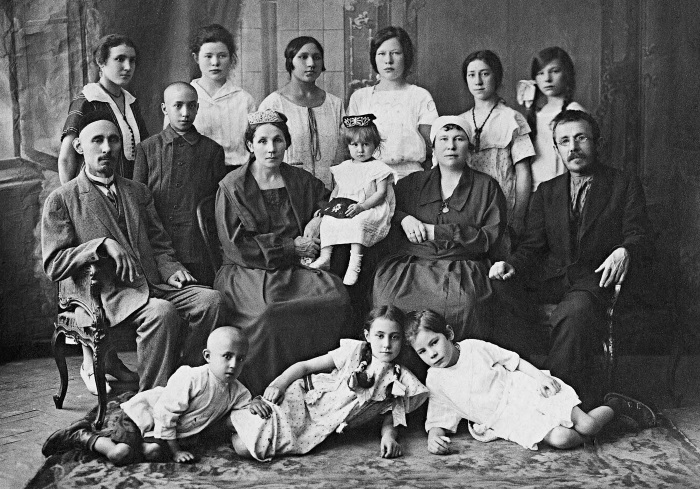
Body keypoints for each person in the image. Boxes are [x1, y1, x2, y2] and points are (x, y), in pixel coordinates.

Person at [42, 112, 228, 393]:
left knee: (212, 301)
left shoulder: (137, 191)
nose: (107, 148)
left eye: (113, 140)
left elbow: (159, 243)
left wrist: (170, 268)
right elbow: (54, 264)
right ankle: (152, 397)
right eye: (97, 140)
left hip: (152, 283)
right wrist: (100, 245)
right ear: (79, 146)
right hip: (107, 294)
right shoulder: (62, 199)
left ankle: (183, 377)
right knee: (161, 313)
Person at [489, 110, 652, 407]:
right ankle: (523, 387)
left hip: (596, 279)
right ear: (556, 149)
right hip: (553, 279)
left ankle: (558, 404)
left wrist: (625, 250)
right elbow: (532, 247)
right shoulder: (547, 191)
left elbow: (639, 234)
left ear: (597, 143)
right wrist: (510, 264)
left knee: (573, 311)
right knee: (497, 287)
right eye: (564, 141)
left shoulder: (623, 184)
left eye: (581, 138)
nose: (573, 147)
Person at [214, 109, 351, 395]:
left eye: (278, 140)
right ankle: (264, 389)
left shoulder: (299, 179)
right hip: (249, 268)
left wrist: (319, 217)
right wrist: (291, 247)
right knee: (269, 313)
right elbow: (236, 244)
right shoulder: (232, 186)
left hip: (296, 269)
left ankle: (316, 386)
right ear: (250, 145)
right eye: (262, 141)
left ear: (286, 143)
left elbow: (330, 201)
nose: (271, 148)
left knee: (335, 297)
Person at [404, 310, 657, 453]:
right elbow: (438, 416)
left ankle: (615, 407)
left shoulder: (473, 348)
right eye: (422, 351)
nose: (432, 354)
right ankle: (608, 426)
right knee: (563, 440)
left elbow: (513, 361)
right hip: (510, 419)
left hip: (525, 390)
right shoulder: (435, 380)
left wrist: (540, 377)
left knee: (588, 425)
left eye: (434, 342)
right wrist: (433, 437)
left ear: (448, 333)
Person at [372, 115, 507, 378]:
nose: (451, 145)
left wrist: (439, 232)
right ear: (433, 146)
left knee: (464, 303)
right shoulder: (412, 183)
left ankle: (458, 376)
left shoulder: (486, 186)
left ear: (469, 146)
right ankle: (397, 379)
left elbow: (489, 237)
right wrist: (404, 218)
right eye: (443, 139)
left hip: (461, 264)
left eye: (459, 139)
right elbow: (385, 212)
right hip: (412, 264)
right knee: (388, 300)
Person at [229, 306, 429, 461]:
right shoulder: (355, 352)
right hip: (303, 399)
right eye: (380, 336)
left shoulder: (401, 379)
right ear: (368, 336)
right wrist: (279, 384)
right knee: (250, 421)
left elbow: (392, 416)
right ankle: (224, 420)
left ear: (403, 340)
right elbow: (305, 366)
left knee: (243, 447)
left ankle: (231, 426)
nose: (386, 344)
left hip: (319, 427)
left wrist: (389, 437)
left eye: (394, 337)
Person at [41, 327, 268, 464]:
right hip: (143, 416)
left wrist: (255, 403)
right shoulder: (191, 378)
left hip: (162, 431)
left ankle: (144, 446)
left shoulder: (236, 389)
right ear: (208, 356)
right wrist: (176, 452)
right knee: (120, 454)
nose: (233, 365)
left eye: (240, 359)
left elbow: (243, 407)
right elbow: (164, 413)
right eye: (227, 356)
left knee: (153, 452)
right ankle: (81, 435)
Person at [135, 82, 227, 285]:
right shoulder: (147, 149)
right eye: (178, 105)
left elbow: (217, 206)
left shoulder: (212, 151)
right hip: (156, 249)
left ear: (197, 108)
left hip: (198, 249)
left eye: (191, 106)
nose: (185, 113)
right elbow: (136, 202)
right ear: (164, 108)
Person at [459, 50, 535, 249]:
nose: (478, 81)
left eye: (485, 74)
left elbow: (523, 172)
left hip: (503, 206)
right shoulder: (460, 122)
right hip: (469, 207)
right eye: (471, 75)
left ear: (497, 77)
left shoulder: (512, 119)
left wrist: (518, 216)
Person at [308, 114, 395, 285]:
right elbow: (337, 191)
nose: (360, 150)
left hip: (370, 207)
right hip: (347, 206)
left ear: (375, 145)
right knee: (328, 221)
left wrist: (362, 207)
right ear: (348, 146)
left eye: (366, 144)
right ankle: (325, 256)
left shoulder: (378, 168)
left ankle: (355, 263)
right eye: (355, 145)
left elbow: (380, 194)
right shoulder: (344, 167)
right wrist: (327, 209)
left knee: (358, 222)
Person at [348, 26, 438, 180]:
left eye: (395, 53)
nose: (388, 60)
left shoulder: (419, 96)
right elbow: (351, 140)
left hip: (411, 176)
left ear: (406, 56)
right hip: (369, 176)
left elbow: (433, 144)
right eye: (381, 54)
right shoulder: (360, 98)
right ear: (374, 58)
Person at [59, 34, 148, 183]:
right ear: (101, 62)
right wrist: (71, 196)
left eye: (132, 60)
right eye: (120, 59)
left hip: (130, 188)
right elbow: (66, 159)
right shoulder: (87, 101)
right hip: (95, 188)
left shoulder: (132, 103)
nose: (128, 67)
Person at [258, 36, 344, 188]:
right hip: (287, 189)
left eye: (316, 57)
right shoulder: (273, 105)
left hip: (330, 190)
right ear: (290, 61)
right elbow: (261, 154)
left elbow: (344, 150)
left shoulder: (335, 105)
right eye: (303, 57)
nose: (311, 64)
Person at [186, 24, 256, 168]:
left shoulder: (244, 100)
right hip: (195, 173)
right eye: (208, 56)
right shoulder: (184, 96)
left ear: (231, 58)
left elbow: (255, 144)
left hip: (237, 173)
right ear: (196, 57)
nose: (215, 63)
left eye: (222, 56)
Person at [519, 47, 586, 191]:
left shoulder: (574, 111)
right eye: (540, 73)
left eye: (554, 71)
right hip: (536, 190)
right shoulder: (537, 113)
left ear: (567, 74)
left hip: (562, 190)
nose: (547, 79)